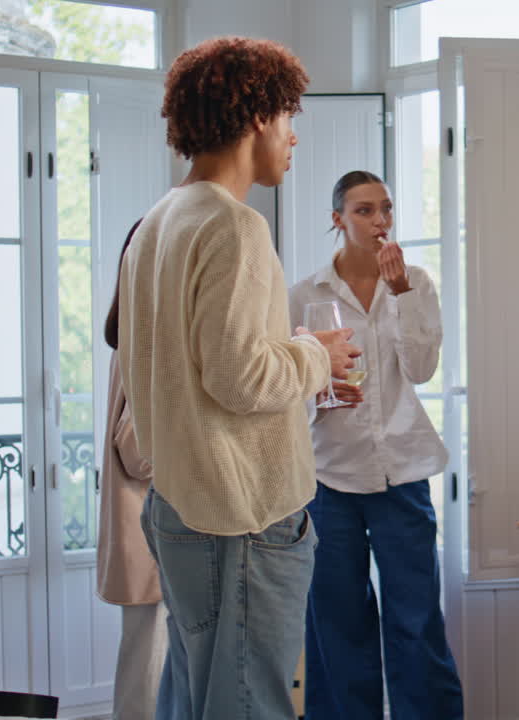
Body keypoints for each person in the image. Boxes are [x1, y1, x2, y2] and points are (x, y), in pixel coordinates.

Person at [117, 36, 359, 720]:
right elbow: (238, 376)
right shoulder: (234, 226)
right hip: (244, 511)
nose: (294, 138)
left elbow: (172, 371)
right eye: (290, 118)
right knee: (249, 704)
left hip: (178, 502)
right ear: (258, 116)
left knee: (193, 697)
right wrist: (316, 355)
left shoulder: (159, 223)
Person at [289, 171, 464, 720]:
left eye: (385, 209)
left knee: (415, 623)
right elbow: (288, 388)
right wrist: (321, 393)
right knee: (336, 625)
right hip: (329, 479)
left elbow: (421, 368)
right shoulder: (304, 295)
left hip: (403, 473)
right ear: (337, 219)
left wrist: (403, 296)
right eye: (364, 211)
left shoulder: (415, 283)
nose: (379, 221)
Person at [98, 219, 165, 720]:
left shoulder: (137, 332)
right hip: (153, 530)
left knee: (144, 667)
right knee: (148, 674)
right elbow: (137, 452)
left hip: (149, 532)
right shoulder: (149, 338)